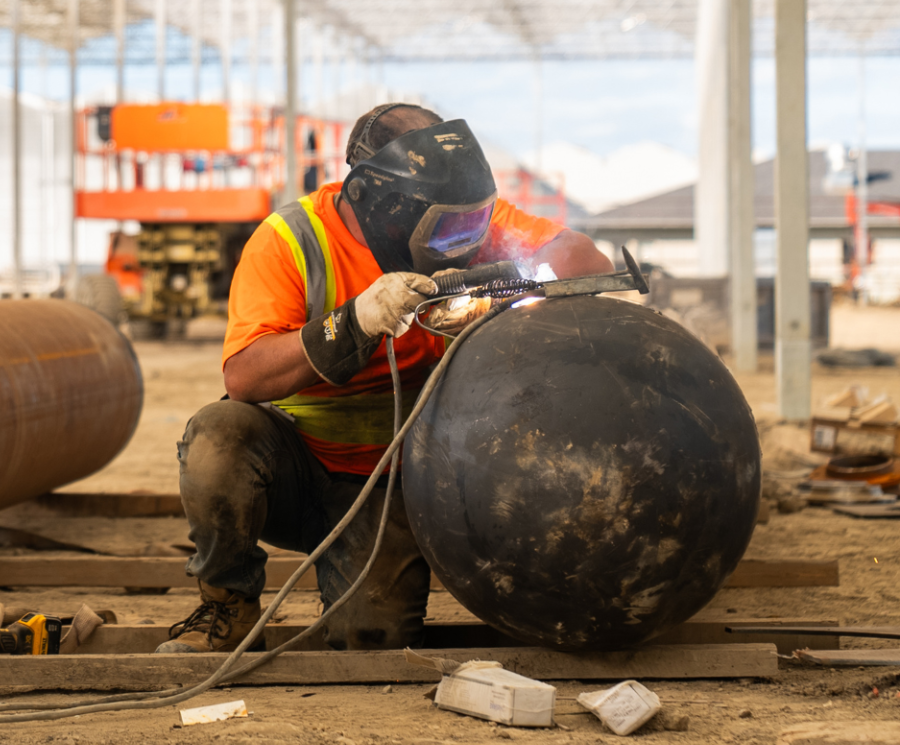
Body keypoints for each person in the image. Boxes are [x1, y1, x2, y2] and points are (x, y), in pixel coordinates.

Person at [157, 104, 613, 654]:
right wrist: (352, 323)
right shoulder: (291, 239)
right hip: (294, 473)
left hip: (395, 481)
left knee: (368, 642)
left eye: (469, 221)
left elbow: (588, 261)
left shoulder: (468, 223)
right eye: (443, 224)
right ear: (379, 199)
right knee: (219, 434)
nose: (461, 238)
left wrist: (491, 286)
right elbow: (245, 376)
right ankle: (225, 605)